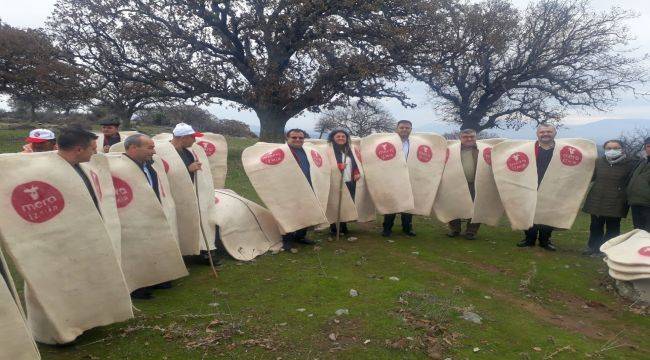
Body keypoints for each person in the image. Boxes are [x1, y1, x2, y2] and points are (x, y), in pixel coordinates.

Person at [123, 134, 171, 298]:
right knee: (137, 250)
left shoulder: (149, 165)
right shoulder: (120, 167)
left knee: (154, 246)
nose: (154, 151)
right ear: (133, 148)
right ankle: (138, 286)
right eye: (149, 148)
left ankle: (156, 278)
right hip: (133, 216)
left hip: (152, 211)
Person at [582, 140, 636, 255]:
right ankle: (593, 248)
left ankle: (607, 249)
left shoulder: (631, 164)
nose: (612, 150)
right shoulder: (599, 162)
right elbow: (590, 177)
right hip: (597, 199)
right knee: (595, 226)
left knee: (613, 227)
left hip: (617, 201)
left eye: (616, 148)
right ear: (605, 149)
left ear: (622, 149)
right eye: (609, 148)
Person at [517, 124, 557, 251]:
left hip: (553, 187)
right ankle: (529, 239)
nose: (545, 134)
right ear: (537, 134)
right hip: (530, 186)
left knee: (548, 215)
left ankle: (545, 240)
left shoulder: (561, 149)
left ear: (555, 133)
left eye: (549, 132)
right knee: (528, 214)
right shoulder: (527, 149)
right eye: (542, 132)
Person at [283, 128, 316, 247]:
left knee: (305, 212)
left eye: (300, 138)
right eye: (294, 137)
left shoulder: (307, 151)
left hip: (308, 186)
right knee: (289, 214)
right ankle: (287, 239)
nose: (298, 140)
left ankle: (300, 236)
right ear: (287, 138)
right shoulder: (282, 152)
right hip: (288, 188)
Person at [382, 120, 416, 237]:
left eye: (407, 128)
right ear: (397, 129)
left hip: (409, 176)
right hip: (393, 177)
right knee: (391, 202)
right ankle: (387, 228)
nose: (404, 130)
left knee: (408, 203)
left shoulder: (414, 143)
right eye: (402, 128)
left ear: (411, 129)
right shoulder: (388, 142)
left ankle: (407, 228)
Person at [447, 129, 482, 240]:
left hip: (476, 183)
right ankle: (455, 229)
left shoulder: (482, 149)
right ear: (460, 138)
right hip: (456, 182)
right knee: (454, 206)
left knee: (476, 207)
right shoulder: (452, 150)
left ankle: (471, 231)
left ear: (476, 137)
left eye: (472, 136)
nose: (469, 139)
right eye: (466, 137)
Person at [56, 126, 99, 210]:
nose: (96, 153)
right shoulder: (50, 174)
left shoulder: (83, 166)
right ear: (79, 150)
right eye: (93, 149)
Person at [327, 129, 361, 235]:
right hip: (334, 182)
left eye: (343, 137)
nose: (341, 138)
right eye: (338, 136)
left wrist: (356, 171)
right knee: (334, 204)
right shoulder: (328, 150)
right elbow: (324, 165)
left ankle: (343, 225)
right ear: (333, 138)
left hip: (349, 180)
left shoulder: (350, 149)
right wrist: (337, 167)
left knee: (346, 204)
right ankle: (333, 227)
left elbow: (356, 162)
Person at [627, 137, 650, 231]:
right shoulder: (642, 162)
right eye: (648, 146)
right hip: (636, 203)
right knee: (639, 232)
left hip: (648, 204)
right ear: (645, 148)